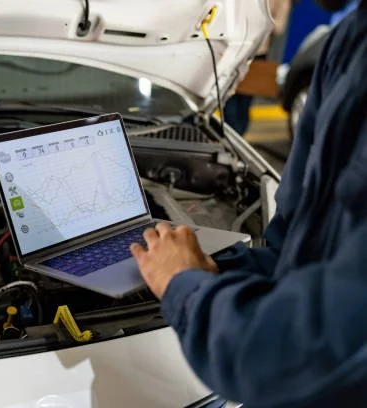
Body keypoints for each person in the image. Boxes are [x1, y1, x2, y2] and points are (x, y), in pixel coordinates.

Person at [130, 1, 367, 407]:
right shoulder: (349, 41)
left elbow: (299, 354)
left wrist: (184, 286)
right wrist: (215, 265)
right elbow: (293, 248)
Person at [223, 0, 291, 136]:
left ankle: (236, 140)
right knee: (228, 100)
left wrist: (259, 23)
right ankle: (233, 140)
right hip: (233, 50)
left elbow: (279, 27)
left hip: (256, 54)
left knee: (244, 104)